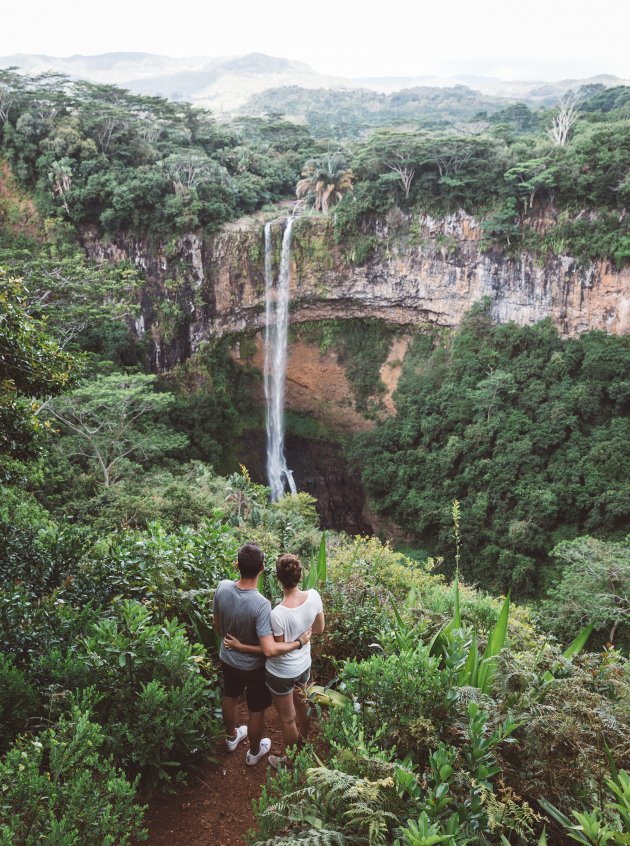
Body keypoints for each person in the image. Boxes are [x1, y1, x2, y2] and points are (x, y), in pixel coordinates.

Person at [213, 543, 311, 766]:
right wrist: (298, 642)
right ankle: (254, 752)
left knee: (230, 696)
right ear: (262, 568)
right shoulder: (262, 605)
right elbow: (268, 648)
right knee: (255, 710)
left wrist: (233, 645)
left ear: (237, 565)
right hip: (254, 667)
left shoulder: (222, 587)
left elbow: (217, 625)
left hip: (227, 658)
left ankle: (231, 736)